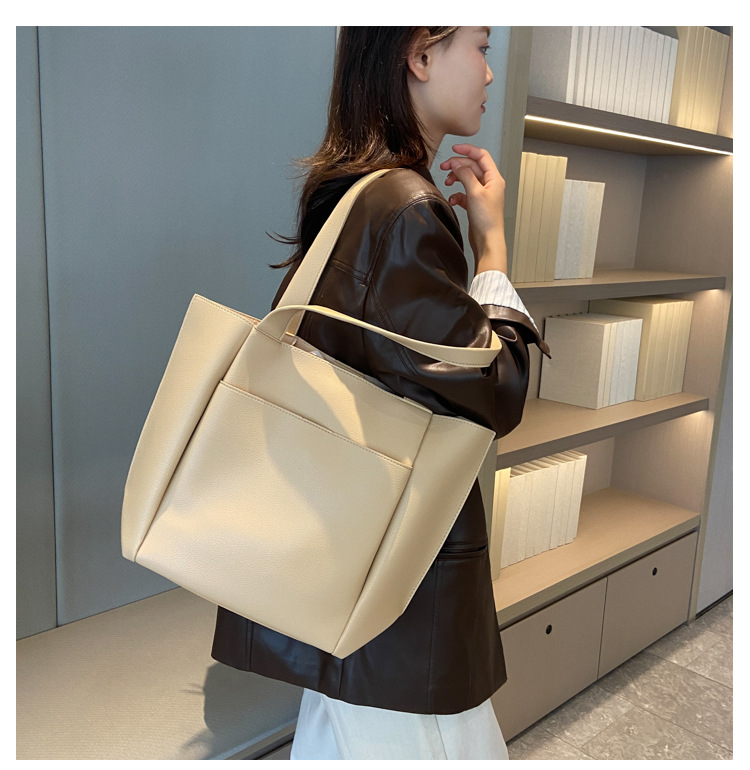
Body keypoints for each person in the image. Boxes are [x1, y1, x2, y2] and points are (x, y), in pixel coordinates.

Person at [210, 26, 549, 760]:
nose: (490, 73)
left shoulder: (351, 191)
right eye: (481, 48)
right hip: (400, 598)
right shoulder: (405, 208)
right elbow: (497, 392)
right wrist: (492, 250)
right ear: (420, 55)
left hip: (346, 569)